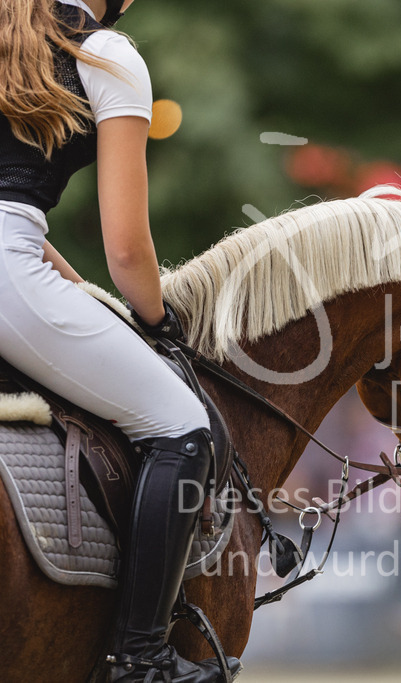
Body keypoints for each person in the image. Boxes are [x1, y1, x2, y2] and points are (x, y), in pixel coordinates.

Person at [0, 1, 241, 680]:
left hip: (23, 262)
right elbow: (129, 249)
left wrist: (79, 296)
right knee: (182, 425)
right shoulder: (103, 56)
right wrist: (156, 318)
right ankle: (140, 656)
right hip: (8, 267)